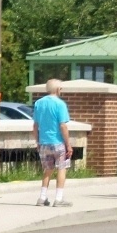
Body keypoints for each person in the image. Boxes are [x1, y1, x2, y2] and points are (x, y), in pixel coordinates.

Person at [33, 78, 73, 207]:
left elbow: (35, 125)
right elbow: (63, 126)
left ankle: (42, 197)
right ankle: (59, 198)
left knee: (47, 170)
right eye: (60, 88)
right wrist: (68, 144)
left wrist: (37, 141)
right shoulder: (60, 104)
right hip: (58, 142)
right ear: (57, 89)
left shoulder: (39, 103)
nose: (61, 90)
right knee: (62, 168)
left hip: (44, 142)